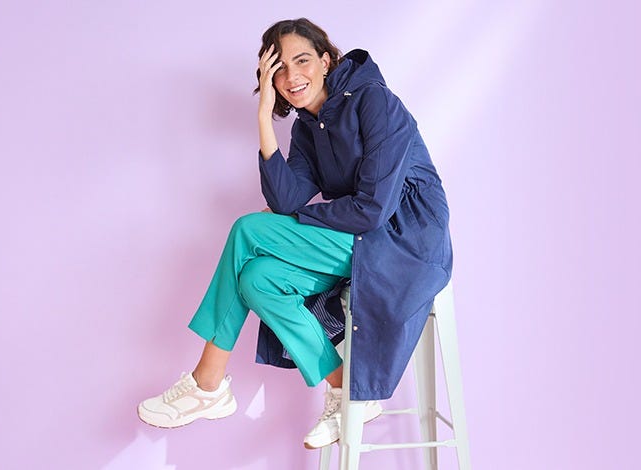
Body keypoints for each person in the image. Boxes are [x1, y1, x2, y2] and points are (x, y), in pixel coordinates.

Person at [136, 18, 453, 450]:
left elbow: (373, 209)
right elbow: (286, 200)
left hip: (405, 242)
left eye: (302, 61)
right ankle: (343, 387)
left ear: (326, 61)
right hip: (360, 242)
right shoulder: (307, 127)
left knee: (248, 228)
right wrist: (264, 115)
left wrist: (302, 216)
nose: (291, 76)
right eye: (278, 69)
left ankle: (207, 383)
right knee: (258, 280)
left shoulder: (374, 100)